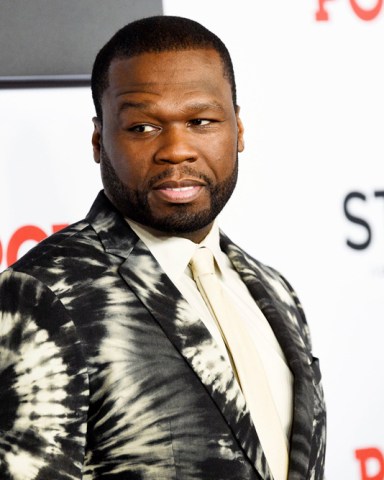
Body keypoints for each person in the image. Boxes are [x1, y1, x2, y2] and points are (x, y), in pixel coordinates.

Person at [0, 15, 326, 480]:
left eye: (200, 120)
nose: (176, 149)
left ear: (238, 130)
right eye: (142, 128)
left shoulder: (274, 290)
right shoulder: (42, 295)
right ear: (98, 140)